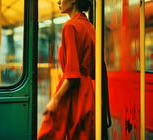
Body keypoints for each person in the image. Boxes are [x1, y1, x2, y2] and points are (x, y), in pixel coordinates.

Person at [38, 0, 110, 139]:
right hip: (88, 92)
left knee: (48, 134)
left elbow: (72, 75)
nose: (58, 1)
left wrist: (55, 100)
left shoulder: (70, 26)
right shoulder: (90, 26)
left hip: (73, 94)